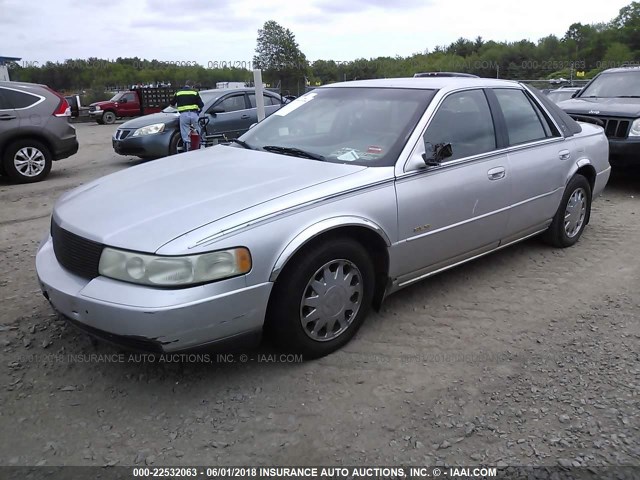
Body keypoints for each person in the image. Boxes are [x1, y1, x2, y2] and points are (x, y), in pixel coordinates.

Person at [171, 80, 204, 152]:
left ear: (185, 85)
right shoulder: (195, 92)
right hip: (194, 114)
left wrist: (178, 108)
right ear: (192, 86)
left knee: (185, 133)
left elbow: (172, 104)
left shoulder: (178, 92)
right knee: (198, 131)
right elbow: (201, 105)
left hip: (184, 115)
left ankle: (188, 148)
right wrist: (198, 111)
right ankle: (200, 147)